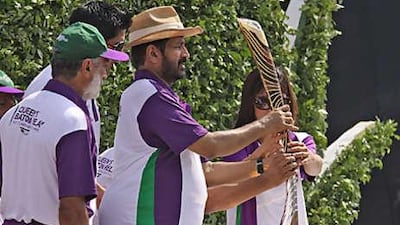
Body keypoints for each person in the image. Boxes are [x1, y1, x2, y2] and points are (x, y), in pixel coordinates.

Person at [98, 6, 299, 225]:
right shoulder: (148, 94)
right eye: (179, 46)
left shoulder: (156, 96)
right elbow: (211, 146)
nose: (186, 54)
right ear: (153, 53)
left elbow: (206, 171)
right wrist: (267, 124)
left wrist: (263, 166)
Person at [0, 22, 129, 225]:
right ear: (87, 66)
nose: (105, 74)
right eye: (104, 65)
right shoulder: (71, 120)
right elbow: (71, 208)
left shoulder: (13, 114)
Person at [23, 0, 132, 150]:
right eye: (117, 46)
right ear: (93, 39)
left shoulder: (75, 85)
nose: (116, 59)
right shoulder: (50, 90)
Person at [224, 67, 323, 225]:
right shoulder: (236, 142)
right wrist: (264, 150)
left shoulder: (298, 139)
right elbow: (230, 181)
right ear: (250, 103)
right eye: (262, 102)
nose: (271, 110)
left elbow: (316, 168)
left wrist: (308, 158)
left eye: (279, 101)